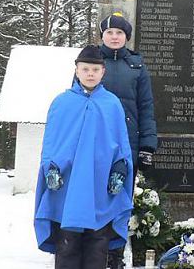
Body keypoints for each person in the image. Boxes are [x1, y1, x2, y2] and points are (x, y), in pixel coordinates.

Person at [34, 45, 134, 269]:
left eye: (95, 69)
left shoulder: (112, 104)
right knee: (67, 245)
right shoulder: (61, 103)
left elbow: (121, 143)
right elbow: (51, 142)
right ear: (77, 70)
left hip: (100, 189)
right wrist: (50, 167)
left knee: (97, 246)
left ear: (103, 72)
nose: (90, 73)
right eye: (85, 68)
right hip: (67, 189)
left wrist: (120, 168)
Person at [99, 12, 158, 269]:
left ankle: (115, 256)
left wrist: (147, 146)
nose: (114, 37)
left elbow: (146, 107)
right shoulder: (90, 61)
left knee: (120, 201)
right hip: (97, 143)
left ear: (126, 37)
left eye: (119, 33)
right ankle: (94, 254)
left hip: (127, 145)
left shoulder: (137, 66)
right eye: (110, 32)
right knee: (96, 199)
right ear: (102, 36)